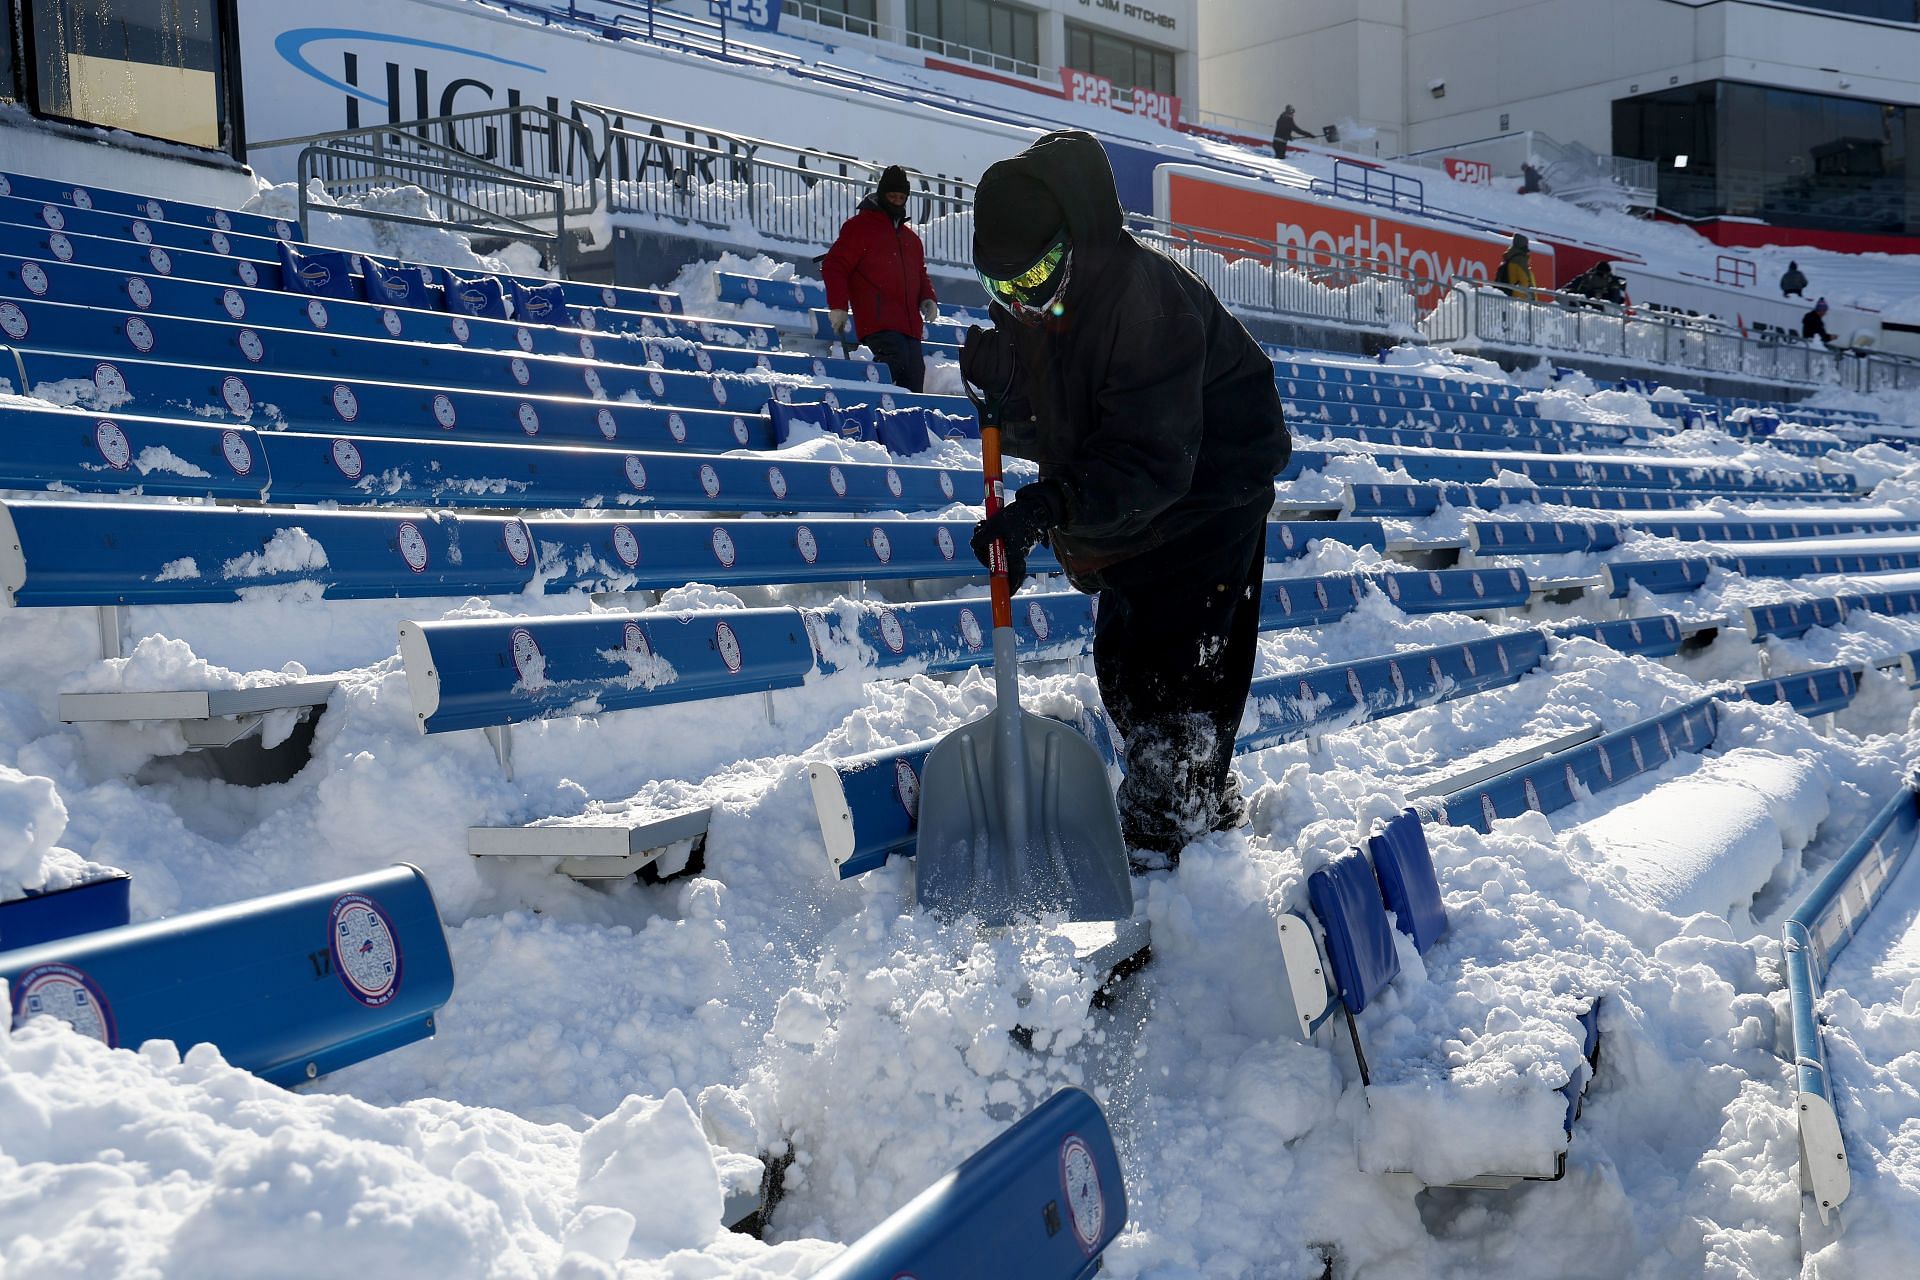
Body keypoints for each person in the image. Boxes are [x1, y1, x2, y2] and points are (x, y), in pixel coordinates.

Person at [958, 129, 1292, 867]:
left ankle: (1169, 830)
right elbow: (1072, 422)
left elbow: (1148, 459)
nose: (1019, 303)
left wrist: (1046, 509)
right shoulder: (1040, 309)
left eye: (1034, 280)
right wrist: (1006, 405)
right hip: (1142, 488)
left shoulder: (1144, 300)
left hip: (1213, 482)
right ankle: (1190, 801)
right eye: (998, 289)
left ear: (1071, 244)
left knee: (1177, 666)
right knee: (1122, 661)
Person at [822, 164, 939, 392]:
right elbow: (835, 265)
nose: (896, 201)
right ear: (881, 194)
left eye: (901, 197)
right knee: (894, 361)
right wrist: (838, 306)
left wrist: (928, 298)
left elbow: (919, 273)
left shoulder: (911, 240)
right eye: (891, 196)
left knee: (915, 375)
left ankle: (906, 425)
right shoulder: (859, 228)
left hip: (909, 324)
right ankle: (877, 410)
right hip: (878, 320)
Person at [1493, 232, 1535, 298]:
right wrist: (1531, 298)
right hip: (1520, 300)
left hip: (1509, 295)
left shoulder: (1509, 258)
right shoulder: (1520, 260)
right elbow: (1525, 280)